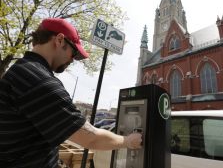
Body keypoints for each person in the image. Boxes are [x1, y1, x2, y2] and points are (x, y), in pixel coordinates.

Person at [0, 18, 142, 168]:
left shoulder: (22, 69)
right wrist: (129, 141)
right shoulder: (39, 81)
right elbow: (90, 138)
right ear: (60, 40)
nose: (72, 60)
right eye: (73, 52)